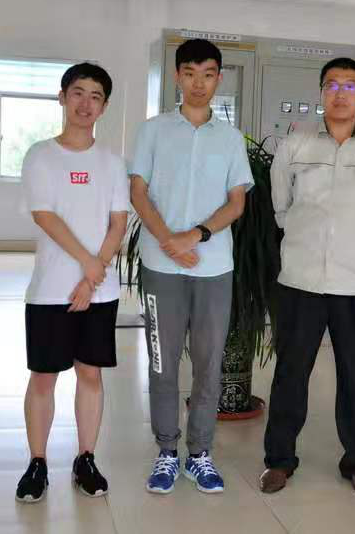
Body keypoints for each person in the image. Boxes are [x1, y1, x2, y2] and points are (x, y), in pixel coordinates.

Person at [260, 57, 355, 497]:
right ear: (321, 92)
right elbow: (281, 207)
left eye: (350, 86)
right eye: (332, 85)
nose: (341, 93)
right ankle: (279, 460)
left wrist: (354, 242)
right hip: (300, 280)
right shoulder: (296, 145)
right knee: (291, 373)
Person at [129, 38, 253, 495]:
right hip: (161, 267)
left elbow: (236, 202)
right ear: (177, 76)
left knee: (208, 364)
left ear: (218, 78)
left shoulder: (230, 139)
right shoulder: (153, 130)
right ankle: (167, 450)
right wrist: (168, 240)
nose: (199, 83)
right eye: (190, 74)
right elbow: (138, 191)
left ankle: (199, 453)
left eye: (208, 74)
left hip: (213, 267)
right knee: (162, 363)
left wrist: (194, 235)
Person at [16, 62, 129, 502]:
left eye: (95, 96)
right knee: (44, 377)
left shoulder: (112, 163)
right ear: (62, 97)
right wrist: (89, 266)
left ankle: (86, 458)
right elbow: (44, 215)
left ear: (104, 106)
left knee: (90, 374)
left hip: (99, 291)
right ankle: (37, 462)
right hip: (51, 288)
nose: (86, 103)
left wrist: (93, 277)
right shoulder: (40, 155)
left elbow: (118, 223)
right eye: (78, 93)